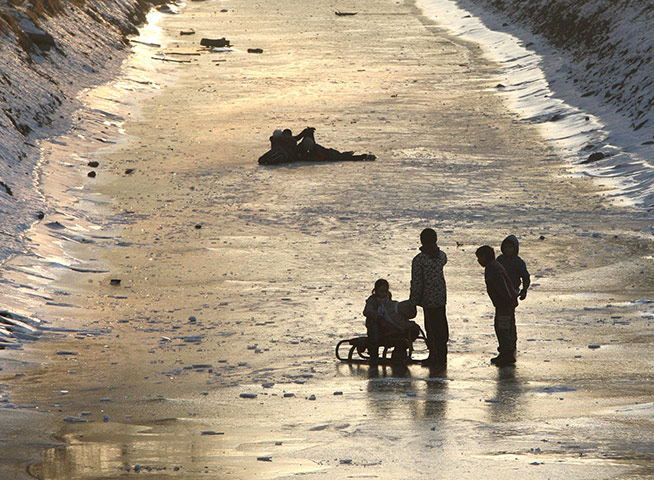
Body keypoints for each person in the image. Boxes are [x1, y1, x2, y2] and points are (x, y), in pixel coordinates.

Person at [409, 228, 448, 365]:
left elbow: (417, 283)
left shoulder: (419, 260)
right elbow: (444, 259)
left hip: (428, 300)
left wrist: (412, 301)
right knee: (441, 327)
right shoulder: (441, 256)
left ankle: (435, 357)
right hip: (441, 298)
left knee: (432, 328)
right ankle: (442, 355)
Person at [475, 245, 519, 366]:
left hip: (504, 304)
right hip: (504, 303)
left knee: (503, 328)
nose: (478, 261)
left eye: (480, 258)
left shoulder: (493, 268)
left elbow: (503, 287)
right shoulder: (494, 266)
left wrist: (507, 301)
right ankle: (507, 351)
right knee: (505, 327)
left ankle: (507, 353)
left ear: (485, 257)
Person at [363, 279, 420, 363]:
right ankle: (373, 352)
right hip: (378, 328)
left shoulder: (389, 301)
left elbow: (393, 314)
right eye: (381, 291)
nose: (383, 293)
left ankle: (399, 350)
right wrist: (379, 317)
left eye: (385, 291)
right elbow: (367, 311)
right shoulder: (372, 301)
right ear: (376, 291)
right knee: (374, 325)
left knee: (412, 329)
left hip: (390, 326)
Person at [258, 127, 375, 164]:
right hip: (300, 154)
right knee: (335, 154)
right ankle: (357, 156)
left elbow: (297, 139)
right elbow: (297, 139)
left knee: (335, 154)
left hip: (297, 154)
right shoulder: (293, 143)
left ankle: (356, 156)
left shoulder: (280, 142)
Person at [497, 235, 530, 301]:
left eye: (510, 247)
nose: (507, 249)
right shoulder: (500, 260)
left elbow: (525, 277)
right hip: (500, 290)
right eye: (505, 247)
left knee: (509, 307)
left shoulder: (518, 262)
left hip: (513, 289)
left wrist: (524, 290)